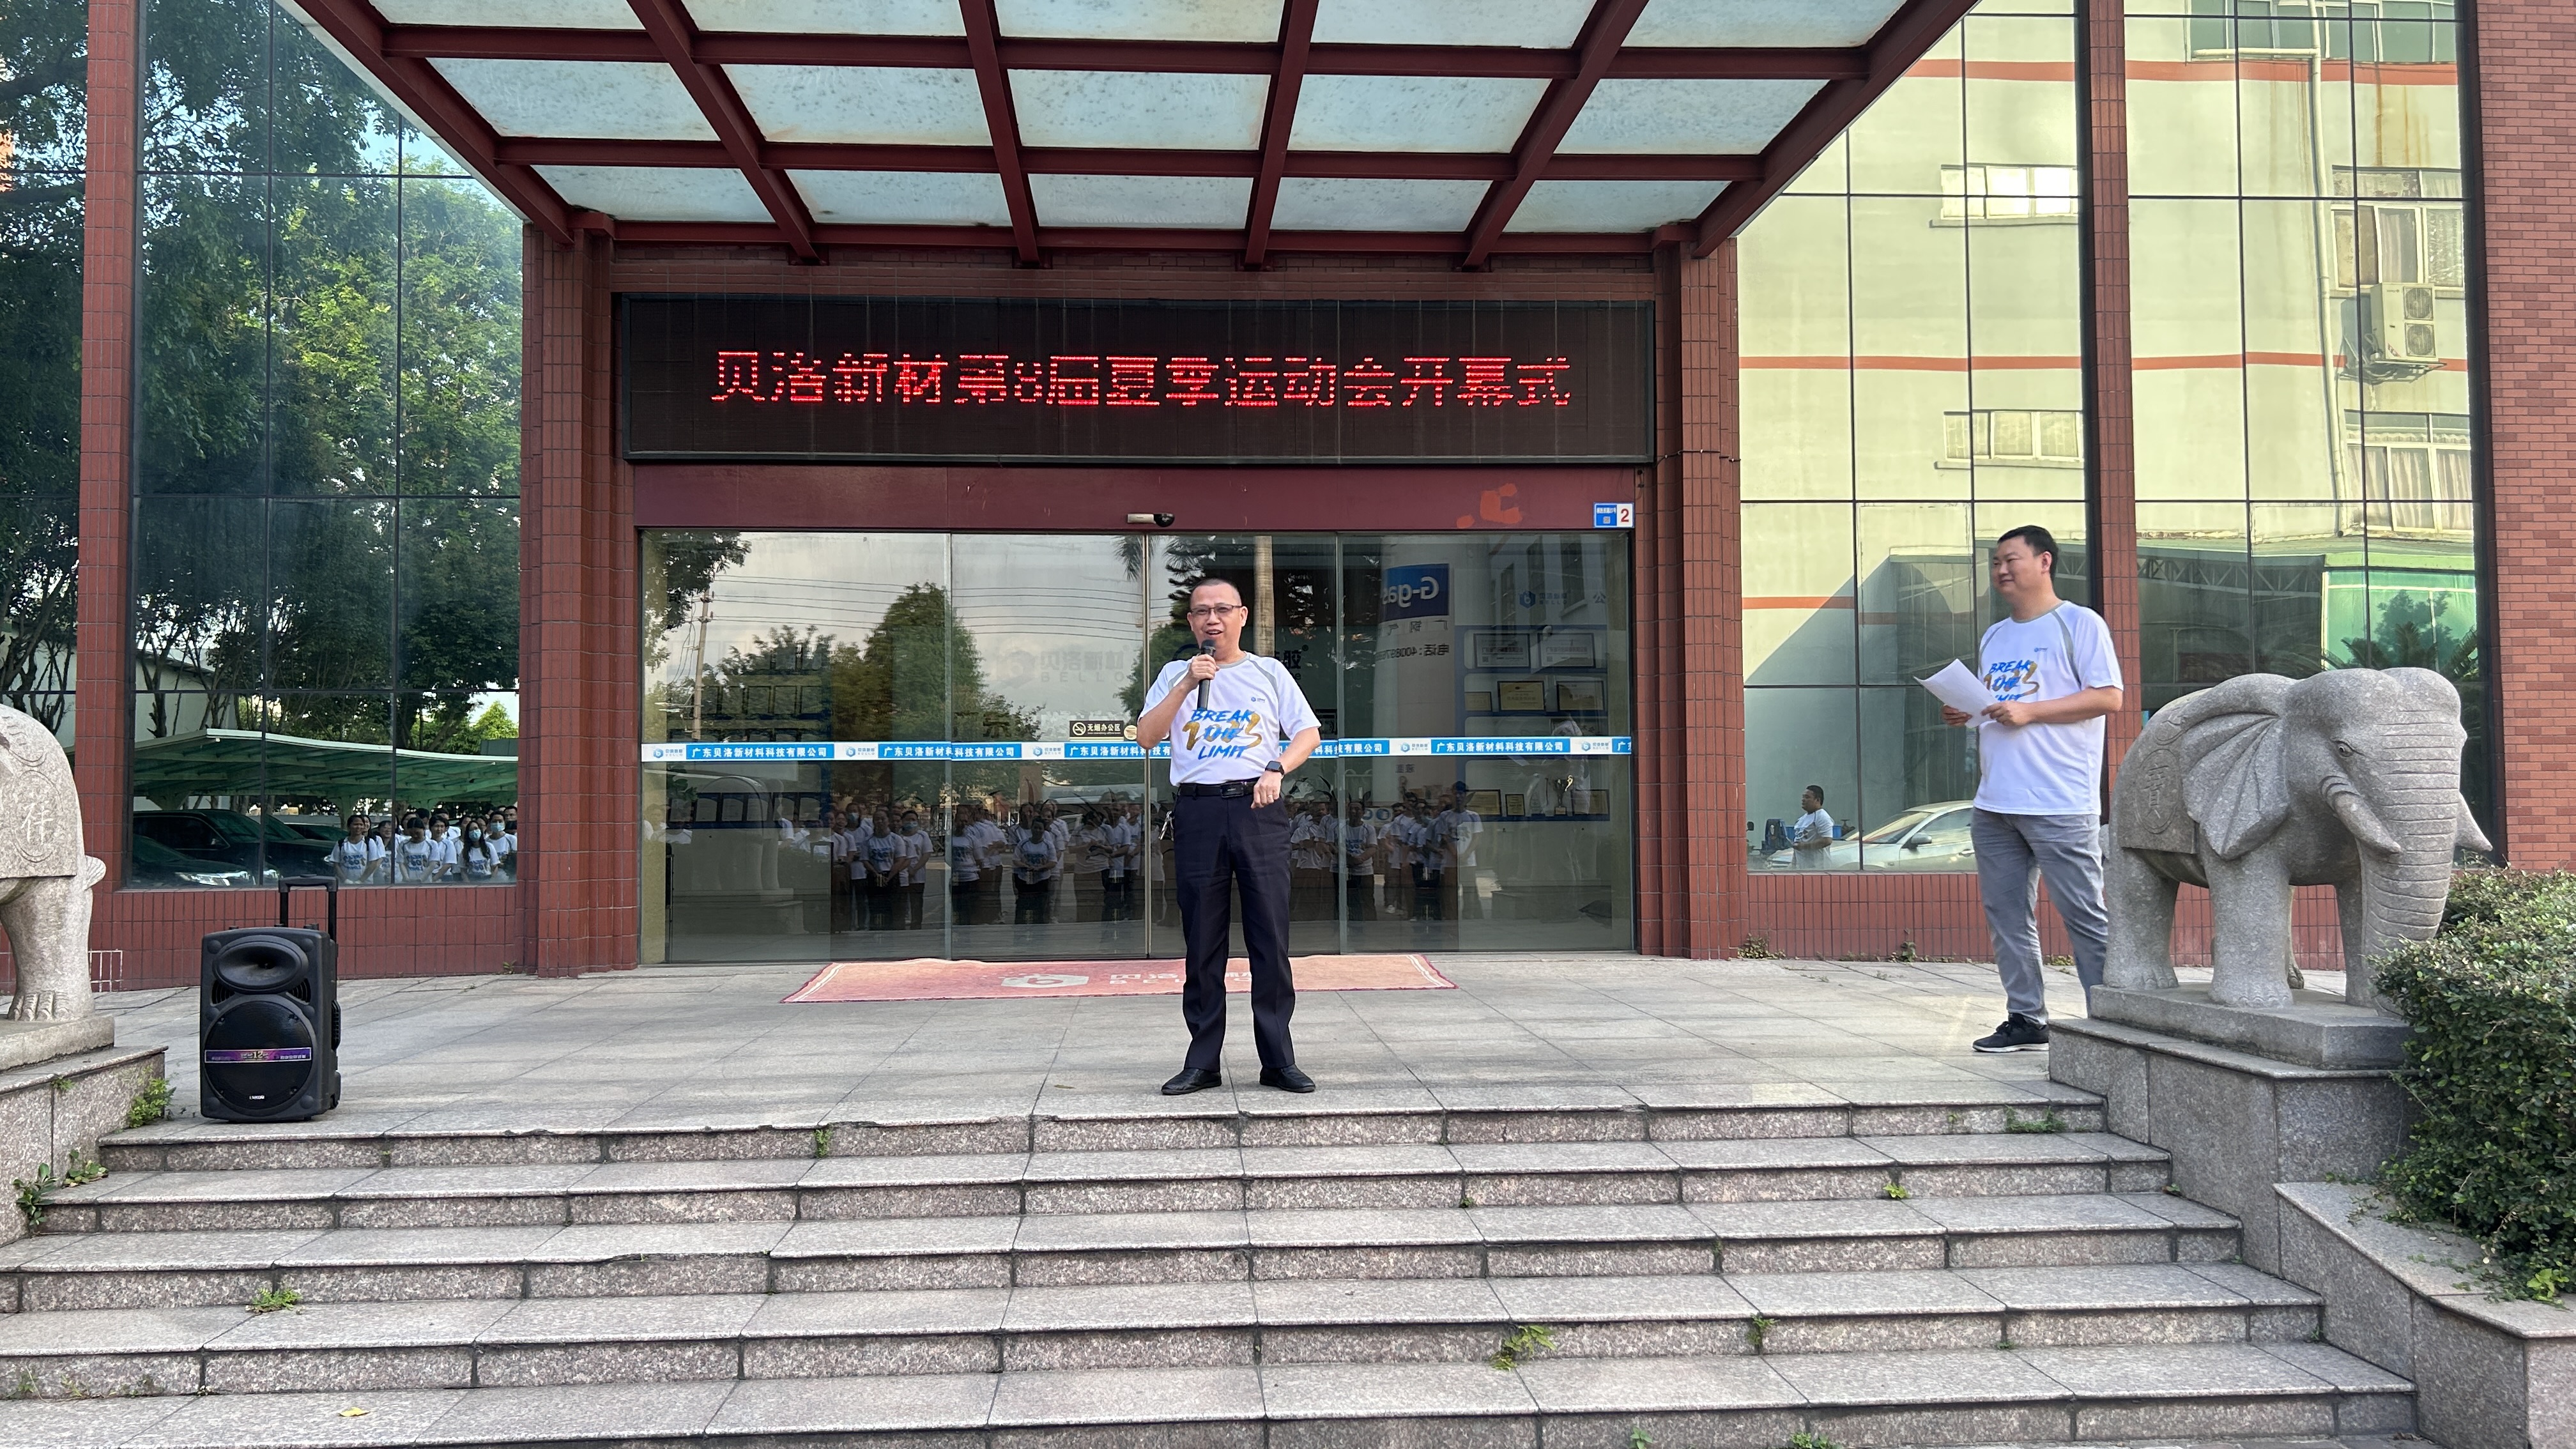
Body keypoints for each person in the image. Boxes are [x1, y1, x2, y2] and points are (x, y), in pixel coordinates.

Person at [1940, 524, 2124, 1054]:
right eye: (1996, 562)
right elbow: (1998, 706)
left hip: (2059, 801)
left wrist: (2031, 711)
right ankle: (2026, 1018)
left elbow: (2109, 697)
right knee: (2007, 916)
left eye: (2011, 559)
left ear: (2045, 562)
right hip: (1995, 801)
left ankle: (2113, 1021)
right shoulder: (1995, 636)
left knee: (2084, 916)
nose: (2001, 570)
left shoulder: (2079, 623)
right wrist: (1967, 710)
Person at [1137, 577, 1323, 1095]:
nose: (1212, 619)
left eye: (1222, 609)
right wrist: (1185, 684)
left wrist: (1276, 767)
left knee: (1270, 938)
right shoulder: (1174, 674)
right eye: (1201, 611)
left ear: (1242, 616)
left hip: (1258, 810)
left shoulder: (1269, 672)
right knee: (1202, 941)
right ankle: (1203, 1062)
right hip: (1197, 812)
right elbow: (1148, 736)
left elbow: (1307, 733)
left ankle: (1278, 1060)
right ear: (1191, 622)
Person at [896, 808, 931, 931]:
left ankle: (916, 925)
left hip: (917, 875)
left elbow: (926, 854)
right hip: (901, 874)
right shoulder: (898, 837)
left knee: (916, 903)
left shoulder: (922, 836)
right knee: (902, 902)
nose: (911, 822)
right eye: (908, 820)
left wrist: (914, 869)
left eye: (913, 820)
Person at [1790, 785, 1837, 869]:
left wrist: (1804, 846)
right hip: (1802, 868)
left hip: (1817, 868)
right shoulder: (1802, 819)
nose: (1803, 800)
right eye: (1803, 797)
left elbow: (1827, 840)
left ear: (1817, 800)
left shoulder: (1822, 817)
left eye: (1807, 797)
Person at [329, 816, 383, 885]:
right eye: (356, 824)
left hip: (365, 884)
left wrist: (360, 881)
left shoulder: (370, 842)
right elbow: (336, 864)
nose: (358, 827)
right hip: (344, 885)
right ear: (349, 826)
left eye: (361, 825)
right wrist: (345, 880)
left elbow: (373, 863)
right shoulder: (341, 843)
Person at [457, 820, 502, 884]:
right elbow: (463, 871)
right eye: (471, 830)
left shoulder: (489, 847)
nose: (474, 832)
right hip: (472, 880)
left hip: (487, 879)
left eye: (476, 828)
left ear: (480, 830)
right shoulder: (465, 851)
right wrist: (468, 884)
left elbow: (494, 867)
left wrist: (492, 882)